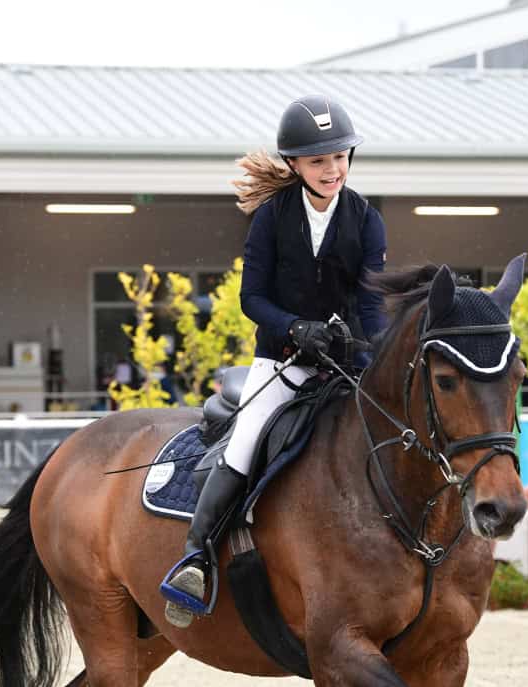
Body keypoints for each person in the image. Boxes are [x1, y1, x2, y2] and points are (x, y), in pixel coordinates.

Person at [163, 95, 388, 627]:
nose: (332, 169)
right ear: (294, 165)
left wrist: (368, 350)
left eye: (339, 157)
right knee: (246, 440)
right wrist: (294, 327)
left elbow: (372, 302)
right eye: (318, 160)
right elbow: (252, 299)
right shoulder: (271, 217)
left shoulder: (366, 219)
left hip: (346, 363)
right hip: (283, 362)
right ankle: (195, 557)